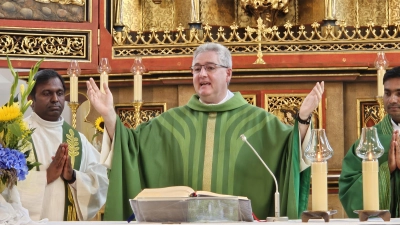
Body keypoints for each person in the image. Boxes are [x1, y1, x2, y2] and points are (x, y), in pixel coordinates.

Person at [87, 42, 324, 220]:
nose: (202, 74)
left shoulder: (260, 122)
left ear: (228, 73)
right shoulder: (170, 122)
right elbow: (129, 147)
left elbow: (290, 152)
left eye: (210, 67)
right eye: (196, 68)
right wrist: (109, 115)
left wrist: (302, 118)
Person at [17, 69, 109, 221]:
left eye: (59, 93)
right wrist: (46, 176)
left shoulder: (77, 139)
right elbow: (5, 188)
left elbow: (102, 180)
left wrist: (73, 177)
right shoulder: (16, 135)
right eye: (47, 93)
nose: (55, 99)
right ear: (30, 99)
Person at [339, 66, 400, 218]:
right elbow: (349, 188)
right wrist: (387, 170)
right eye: (387, 93)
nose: (392, 100)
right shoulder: (370, 139)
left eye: (399, 94)